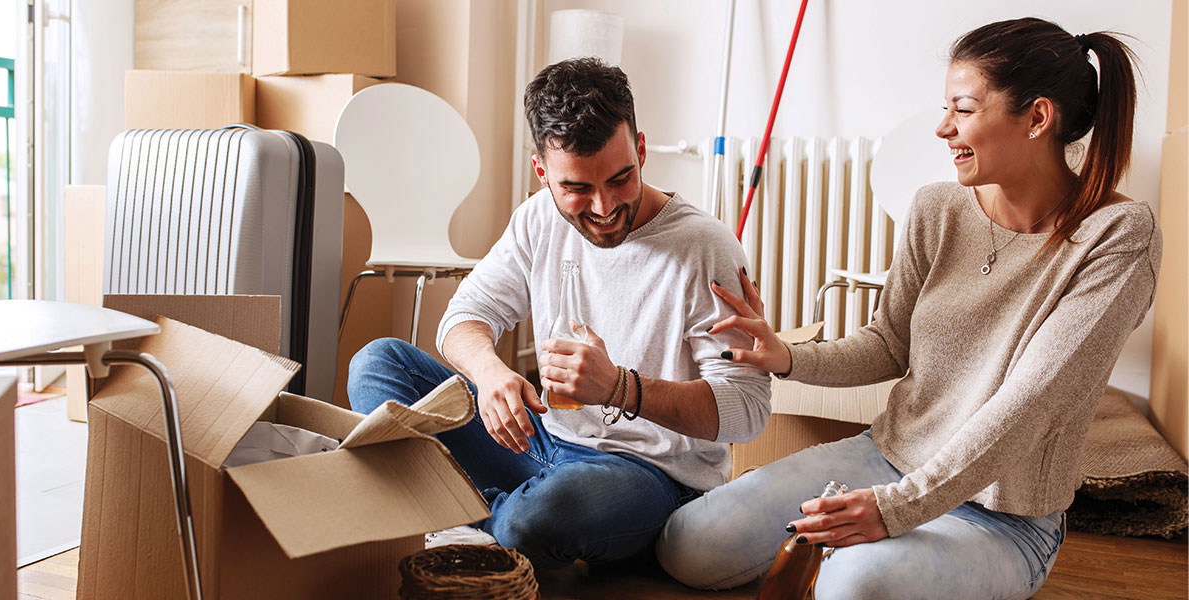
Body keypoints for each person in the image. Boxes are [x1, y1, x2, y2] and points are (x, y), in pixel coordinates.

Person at [656, 17, 1160, 600]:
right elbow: (888, 344)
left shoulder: (1117, 234)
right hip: (886, 459)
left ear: (1038, 118)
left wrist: (898, 510)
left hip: (1001, 512)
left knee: (853, 585)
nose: (944, 128)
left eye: (963, 109)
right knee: (686, 546)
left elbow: (1032, 403)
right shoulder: (937, 209)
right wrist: (785, 355)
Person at [347, 57, 771, 570]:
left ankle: (464, 517)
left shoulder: (706, 248)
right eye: (577, 189)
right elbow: (463, 317)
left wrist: (620, 387)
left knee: (535, 520)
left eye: (620, 179)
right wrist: (490, 373)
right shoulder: (536, 218)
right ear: (541, 171)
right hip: (542, 441)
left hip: (647, 473)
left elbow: (748, 411)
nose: (603, 206)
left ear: (640, 150)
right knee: (379, 363)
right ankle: (489, 523)